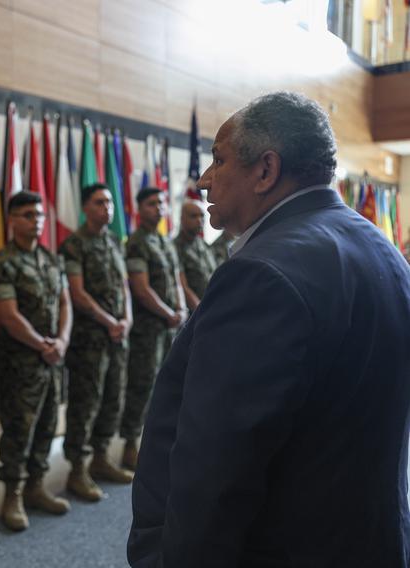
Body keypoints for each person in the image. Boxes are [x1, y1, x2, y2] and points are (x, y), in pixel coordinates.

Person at [128, 92, 410, 567]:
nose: (203, 181)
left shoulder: (262, 274)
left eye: (218, 160)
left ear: (266, 171)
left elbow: (217, 469)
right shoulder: (382, 251)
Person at [0, 191, 73, 531]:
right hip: (20, 364)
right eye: (26, 215)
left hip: (51, 361)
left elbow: (65, 303)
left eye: (39, 214)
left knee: (48, 424)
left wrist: (62, 341)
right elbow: (8, 316)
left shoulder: (52, 260)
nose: (35, 220)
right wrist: (43, 345)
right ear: (11, 220)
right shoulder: (2, 263)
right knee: (18, 431)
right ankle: (13, 496)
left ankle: (36, 487)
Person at [60, 183, 134, 504]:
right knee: (85, 404)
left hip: (118, 337)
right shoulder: (74, 245)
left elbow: (125, 286)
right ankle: (78, 469)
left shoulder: (115, 242)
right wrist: (110, 322)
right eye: (99, 202)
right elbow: (77, 294)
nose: (107, 207)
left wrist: (126, 319)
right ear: (86, 207)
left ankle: (101, 459)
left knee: (112, 398)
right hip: (89, 339)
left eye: (109, 202)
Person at [122, 188, 186, 471]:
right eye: (151, 204)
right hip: (148, 329)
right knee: (142, 385)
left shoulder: (165, 241)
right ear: (139, 208)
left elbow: (176, 279)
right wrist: (169, 312)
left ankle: (156, 440)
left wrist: (181, 308)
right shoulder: (137, 243)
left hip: (169, 326)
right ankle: (130, 444)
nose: (158, 208)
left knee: (167, 384)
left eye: (162, 202)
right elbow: (141, 288)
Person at [174, 199, 217, 310]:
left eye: (202, 216)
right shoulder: (174, 247)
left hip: (212, 307)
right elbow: (182, 286)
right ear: (182, 219)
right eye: (193, 216)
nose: (199, 220)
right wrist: (201, 311)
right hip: (193, 314)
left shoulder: (204, 245)